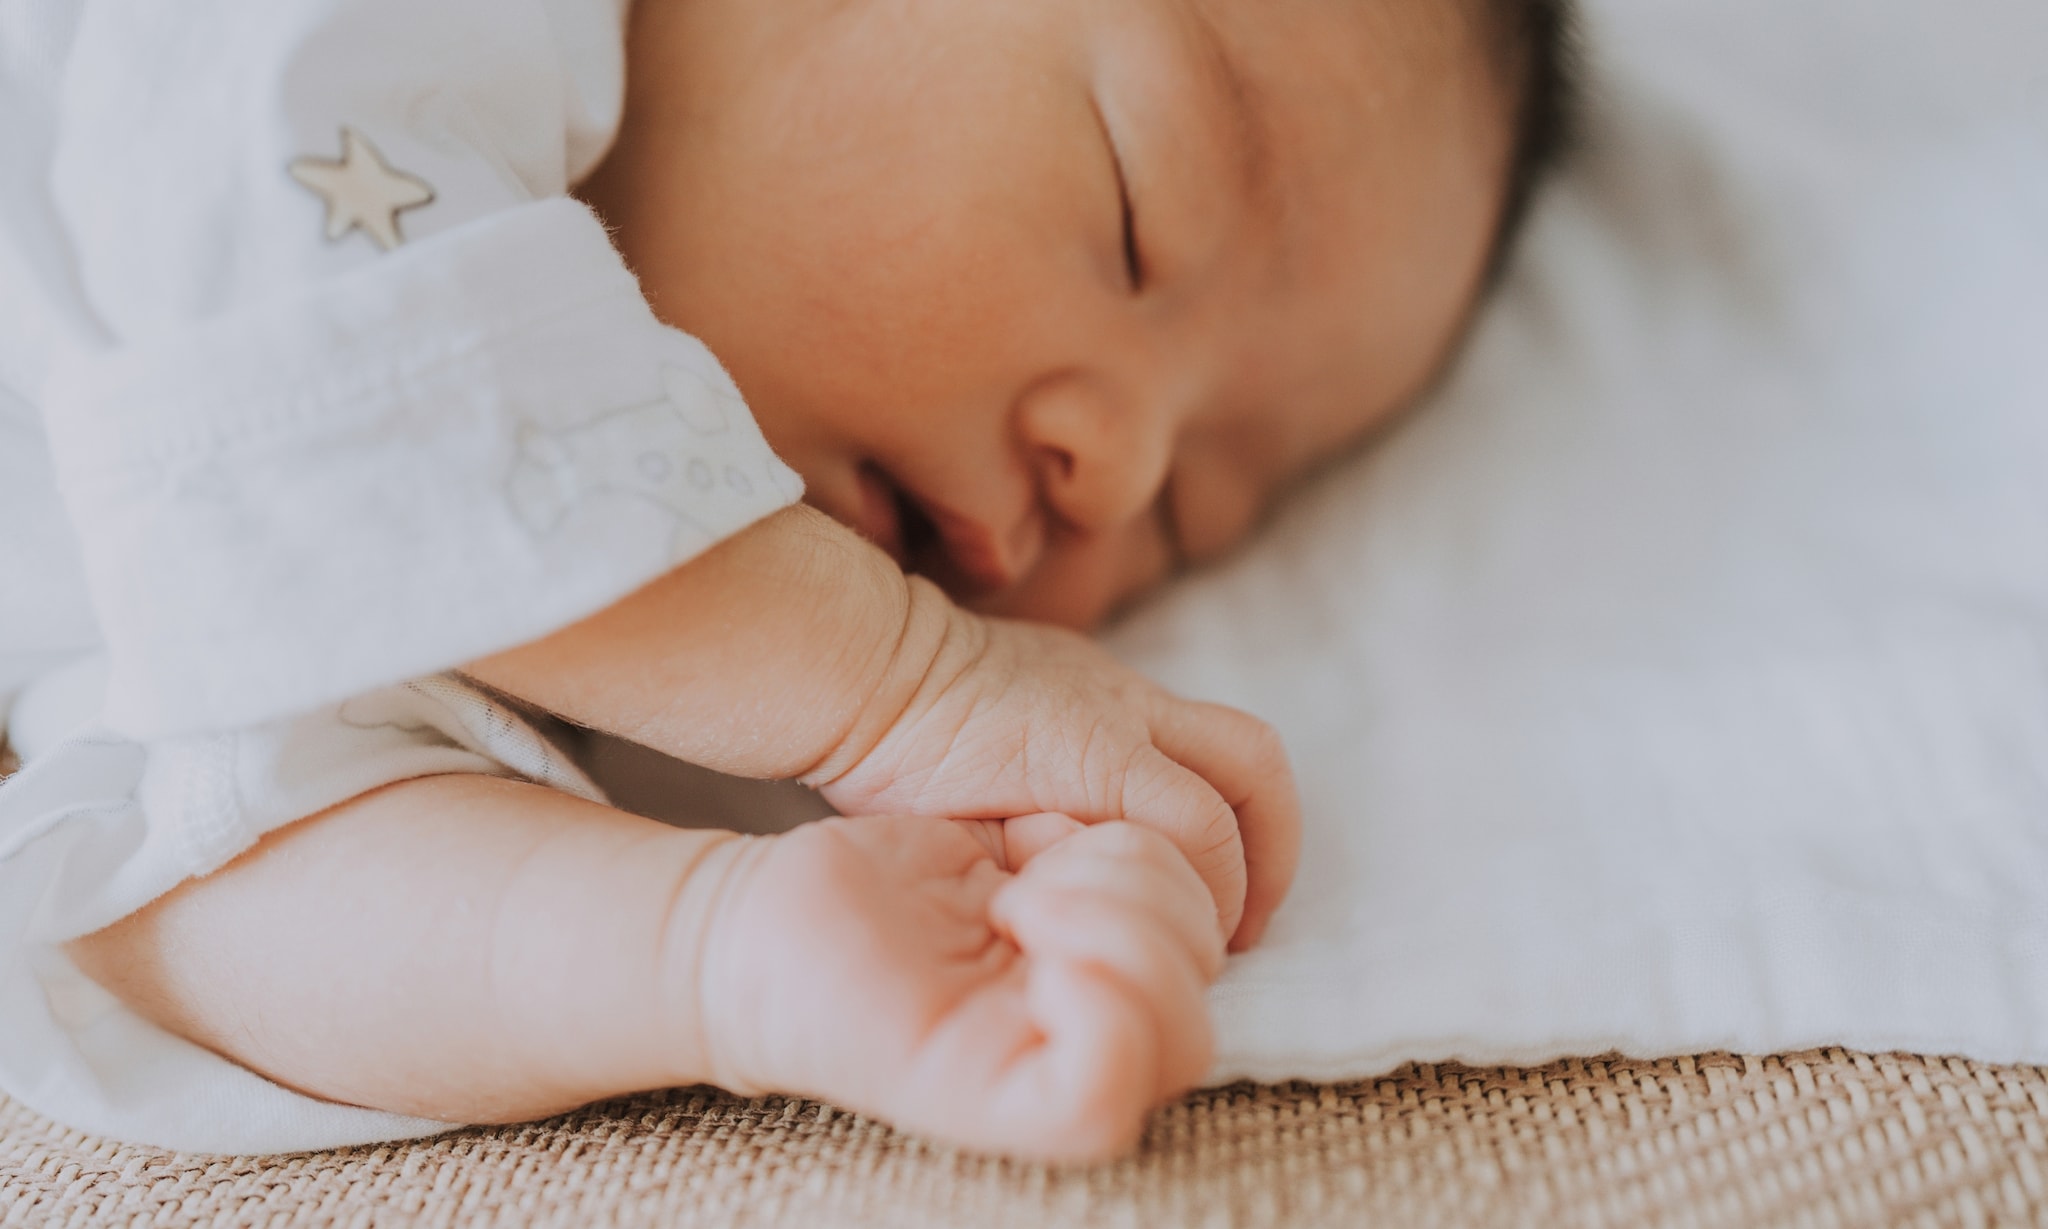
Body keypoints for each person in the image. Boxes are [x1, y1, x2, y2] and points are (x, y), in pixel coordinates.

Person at [0, 0, 1572, 1161]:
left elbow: (183, 877)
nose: (1125, 467)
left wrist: (712, 945)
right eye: (1135, 210)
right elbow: (346, 406)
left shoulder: (510, 604)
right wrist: (903, 679)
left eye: (1200, 507)